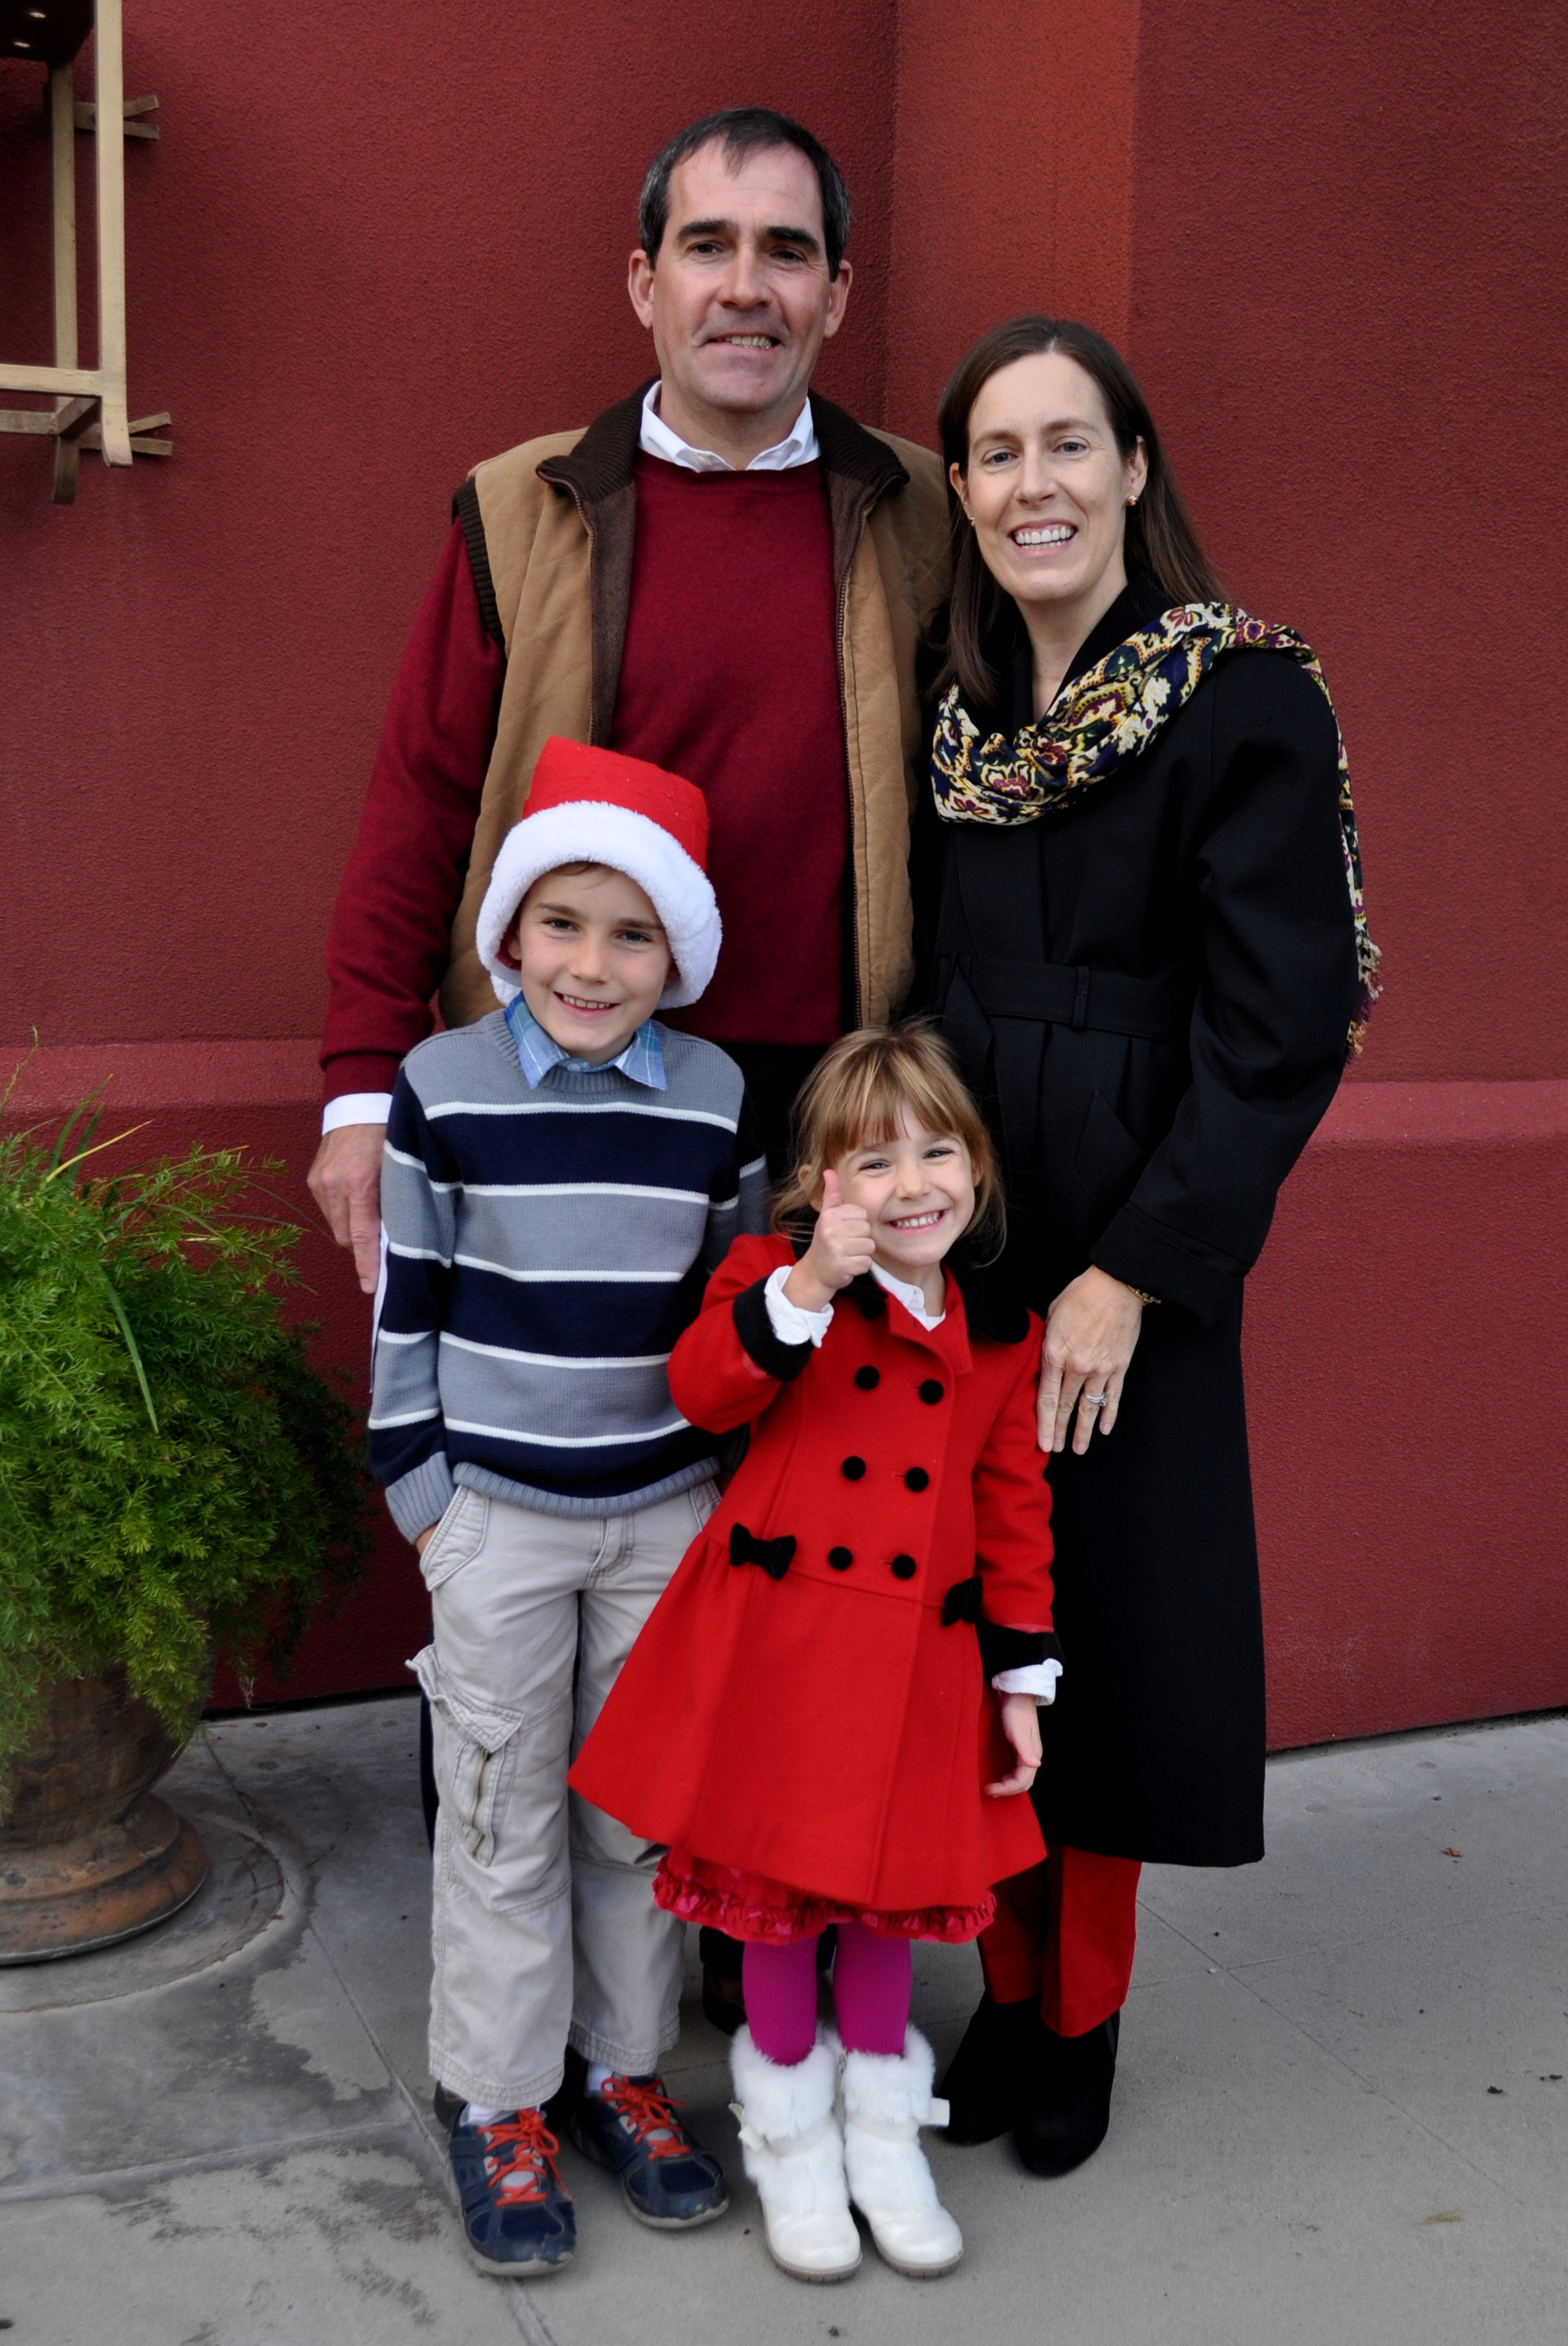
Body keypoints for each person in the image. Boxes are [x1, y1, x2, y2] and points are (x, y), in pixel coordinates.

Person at [311, 103, 948, 2014]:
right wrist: (360, 1086)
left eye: (784, 251)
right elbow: (420, 802)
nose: (744, 287)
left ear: (836, 292)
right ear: (643, 281)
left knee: (780, 1545)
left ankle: (740, 1948)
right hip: (565, 1103)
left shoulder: (918, 512)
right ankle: (519, 1983)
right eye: (707, 246)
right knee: (557, 1535)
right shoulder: (525, 507)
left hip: (816, 1114)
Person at [917, 316, 1378, 2176]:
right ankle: (994, 1980)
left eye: (1065, 443)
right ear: (960, 490)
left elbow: (1280, 1031)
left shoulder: (1243, 700)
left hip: (1132, 1242)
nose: (1030, 483)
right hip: (962, 1228)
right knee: (971, 1631)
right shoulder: (954, 719)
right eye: (994, 452)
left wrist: (1131, 1272)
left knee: (1100, 1642)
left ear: (1129, 468)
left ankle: (1075, 2013)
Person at [570, 1025, 1064, 2283]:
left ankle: (883, 2147)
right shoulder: (776, 1280)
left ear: (977, 1167)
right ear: (821, 1187)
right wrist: (806, 1284)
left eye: (936, 1153)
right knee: (778, 1916)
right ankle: (792, 2148)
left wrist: (1018, 1680)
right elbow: (703, 1391)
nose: (912, 1187)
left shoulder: (1000, 1333)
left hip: (916, 1674)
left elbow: (1012, 1510)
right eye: (873, 1163)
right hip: (779, 1665)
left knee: (891, 1912)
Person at [368, 737, 770, 2279]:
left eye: (632, 935)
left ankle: (622, 2075)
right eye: (561, 924)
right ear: (511, 931)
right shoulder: (441, 1086)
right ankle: (499, 2103)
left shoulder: (716, 1098)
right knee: (499, 1815)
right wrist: (427, 1502)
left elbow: (732, 1309)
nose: (591, 967)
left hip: (664, 1515)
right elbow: (409, 1302)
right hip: (498, 1519)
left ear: (679, 954)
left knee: (635, 1819)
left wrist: (723, 1492)